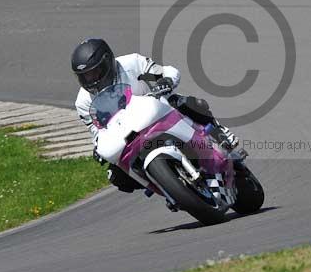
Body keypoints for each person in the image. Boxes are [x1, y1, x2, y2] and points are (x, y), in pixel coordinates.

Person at [71, 38, 238, 192]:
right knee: (116, 176)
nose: (91, 79)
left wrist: (166, 80)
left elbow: (166, 72)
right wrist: (98, 147)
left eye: (95, 72)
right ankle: (165, 187)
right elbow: (97, 131)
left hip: (155, 112)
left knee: (184, 102)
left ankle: (219, 131)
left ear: (107, 62)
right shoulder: (83, 101)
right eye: (85, 76)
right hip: (127, 134)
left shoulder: (132, 63)